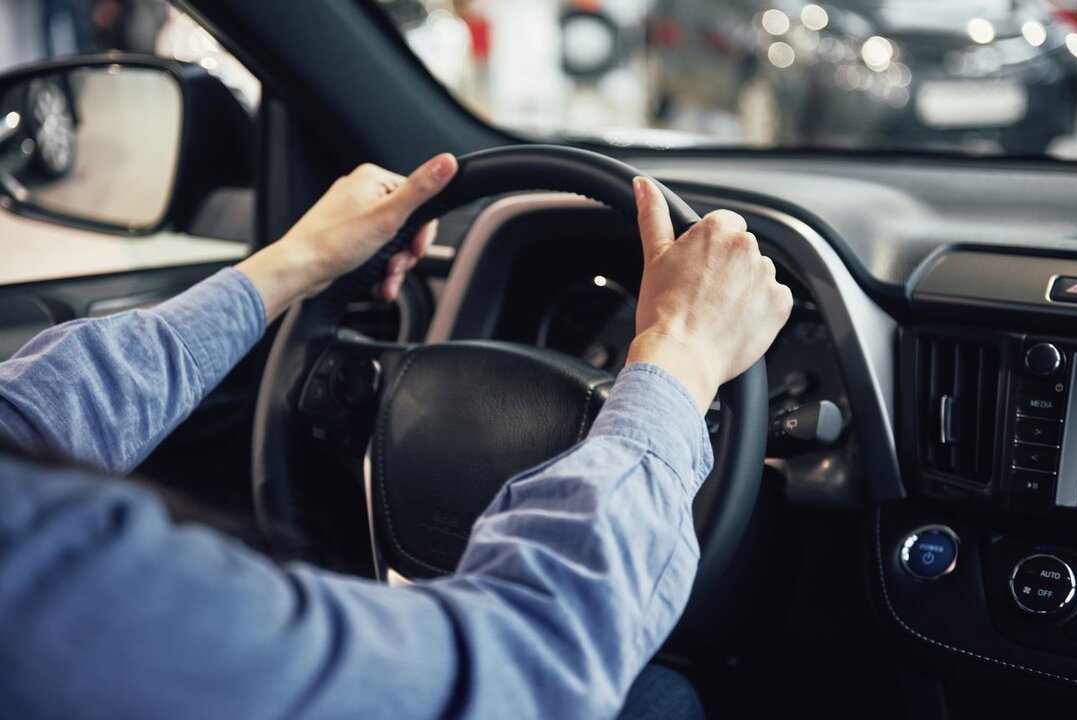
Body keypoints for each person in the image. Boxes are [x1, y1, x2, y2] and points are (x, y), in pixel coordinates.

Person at [0, 152, 792, 719]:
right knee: (661, 701)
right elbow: (522, 668)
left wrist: (297, 263)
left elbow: (30, 417)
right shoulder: (50, 592)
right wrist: (676, 361)